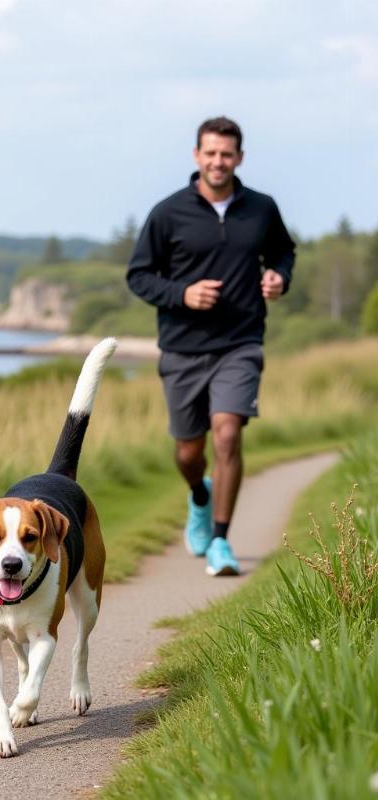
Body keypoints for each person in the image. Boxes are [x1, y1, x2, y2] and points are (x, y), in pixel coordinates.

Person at [126, 116, 295, 576]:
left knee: (227, 432)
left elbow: (283, 251)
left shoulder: (261, 208)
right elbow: (138, 275)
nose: (218, 161)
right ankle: (199, 494)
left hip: (240, 342)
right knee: (187, 452)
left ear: (239, 158)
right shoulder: (167, 213)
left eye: (227, 154)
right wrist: (183, 294)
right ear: (197, 156)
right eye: (211, 153)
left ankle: (220, 540)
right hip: (182, 349)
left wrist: (279, 276)